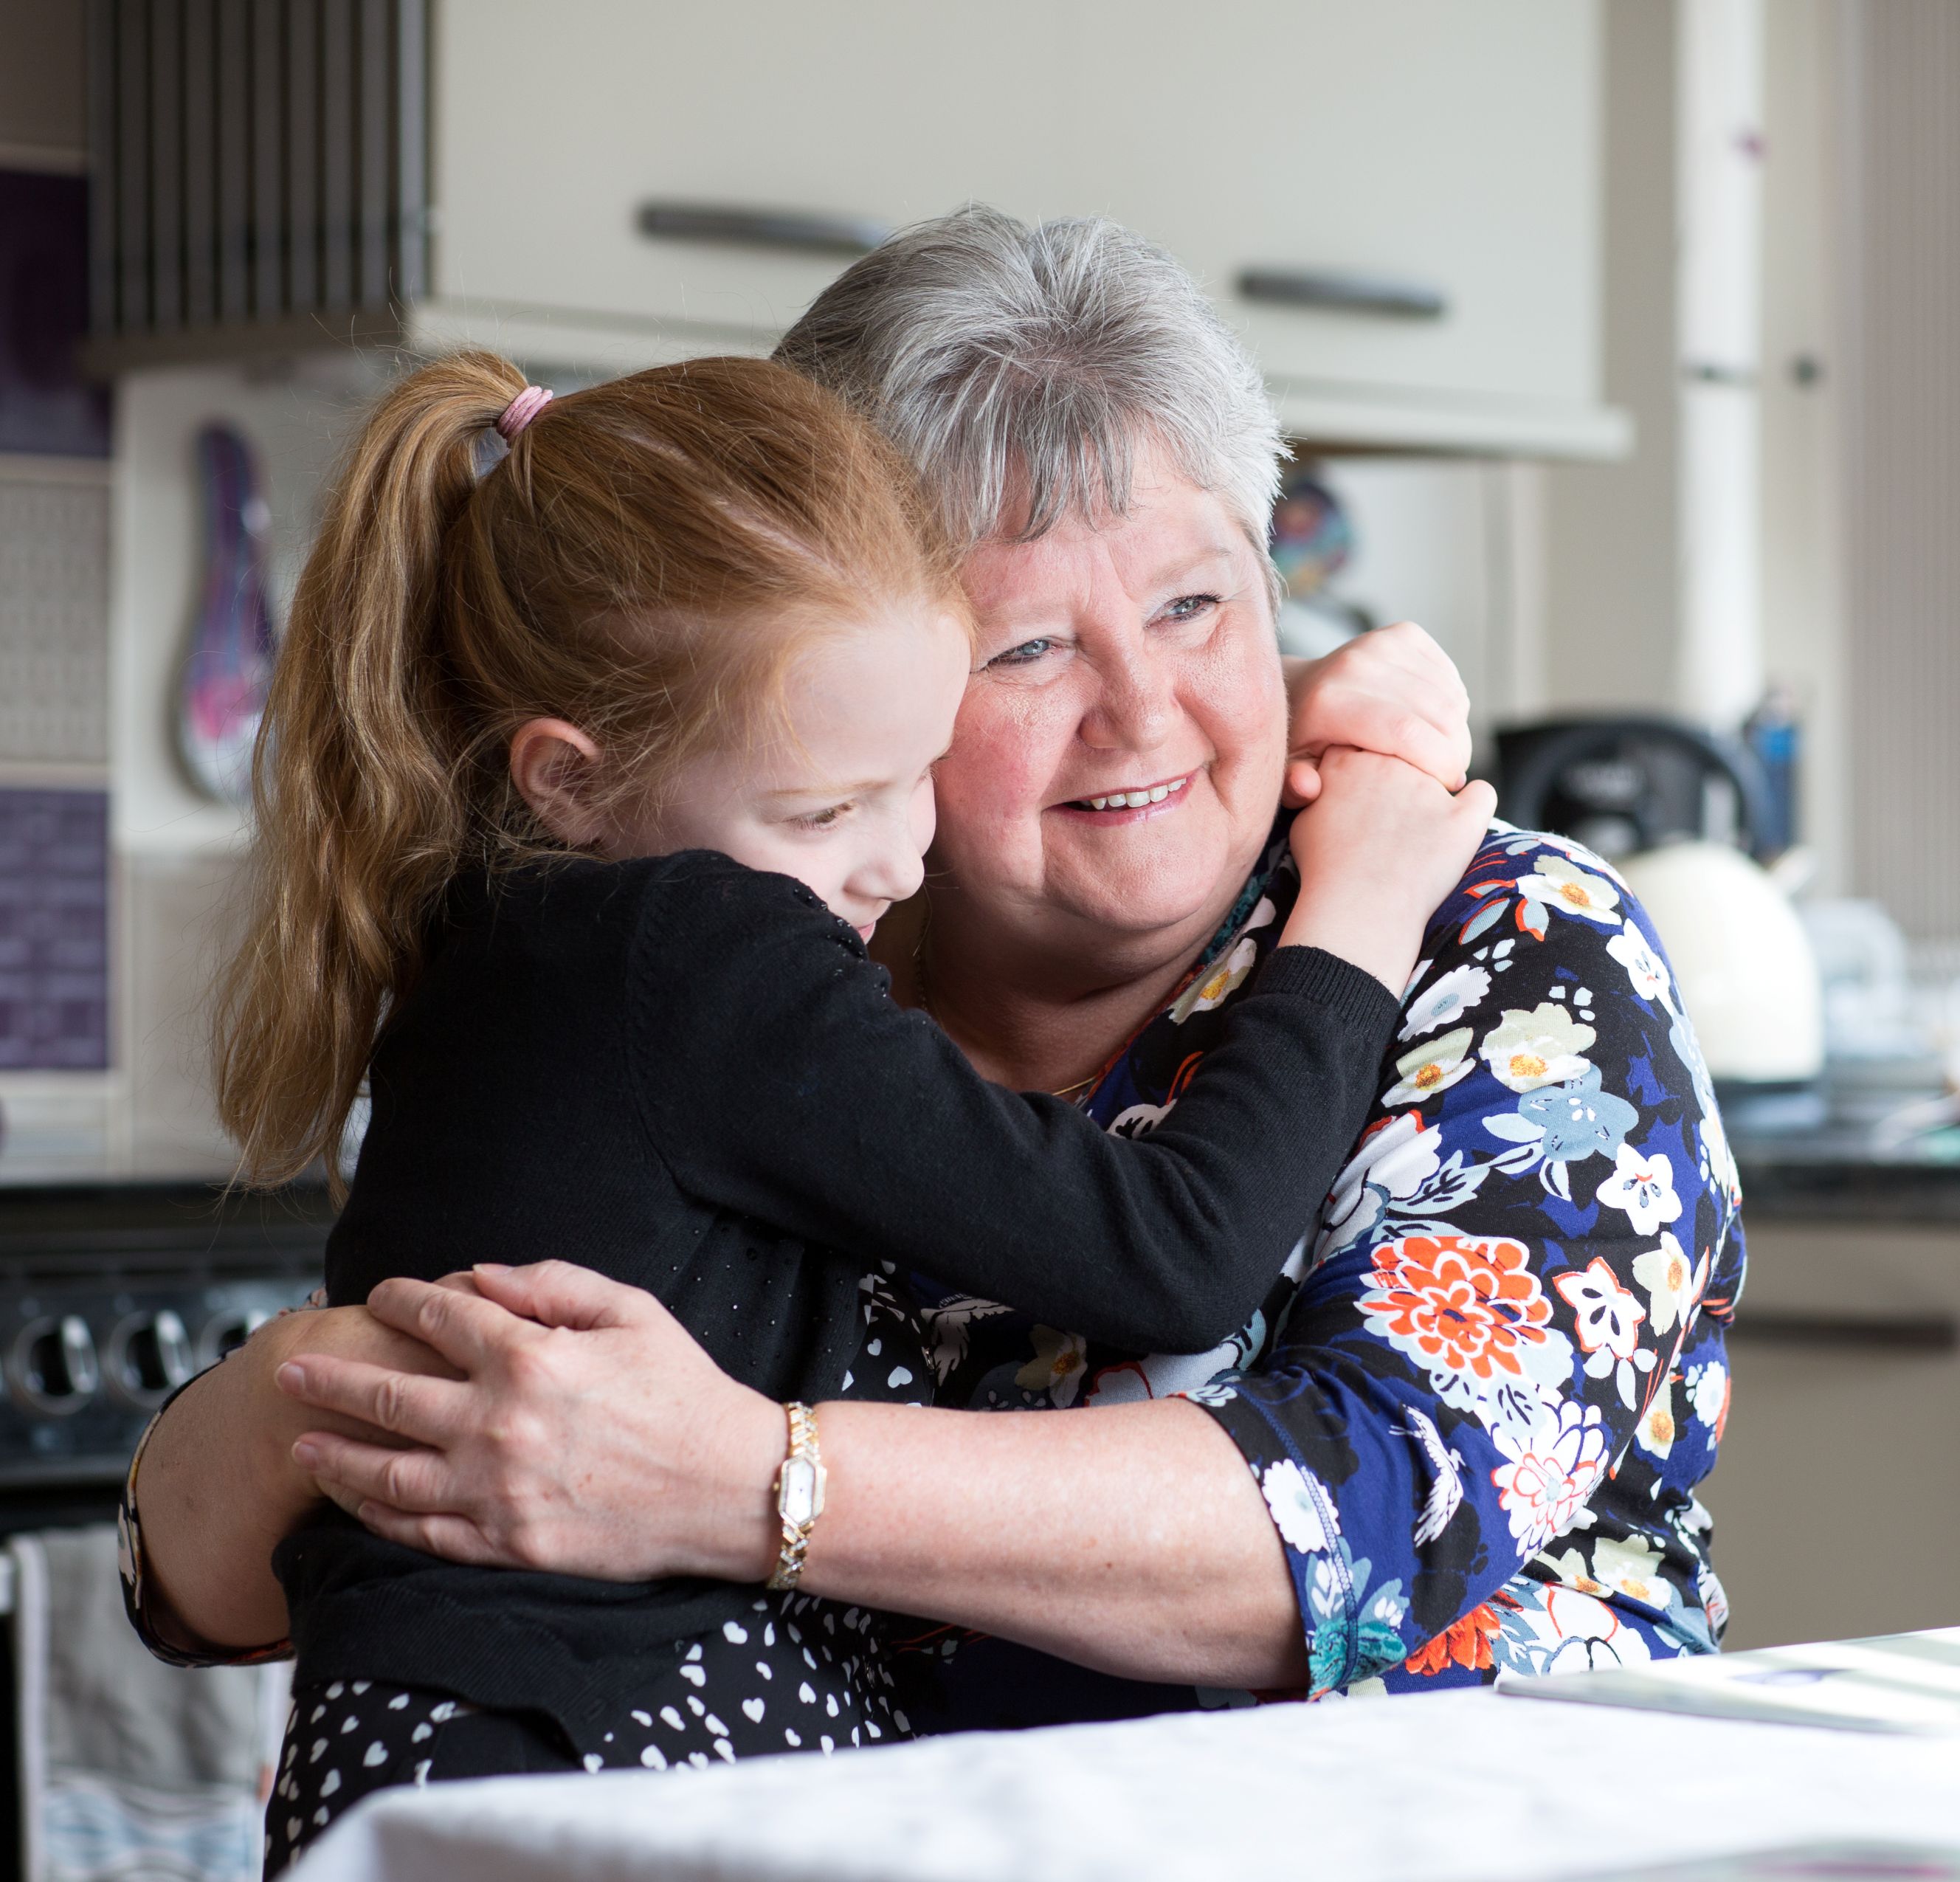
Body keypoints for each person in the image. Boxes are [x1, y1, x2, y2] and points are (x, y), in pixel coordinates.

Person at [126, 207, 1746, 1762]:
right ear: (843, 688)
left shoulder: (1501, 944)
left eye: (1196, 606)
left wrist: (737, 1481)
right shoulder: (771, 958)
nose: (1142, 715)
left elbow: (1360, 1516)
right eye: (1022, 652)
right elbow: (195, 1588)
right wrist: (296, 1400)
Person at [218, 348, 1491, 1867]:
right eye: (829, 811)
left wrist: (1241, 720)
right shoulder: (706, 953)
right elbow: (1177, 1250)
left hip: (457, 1725)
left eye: (917, 776)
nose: (893, 863)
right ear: (568, 778)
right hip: (585, 1739)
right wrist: (1356, 909)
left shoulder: (523, 932)